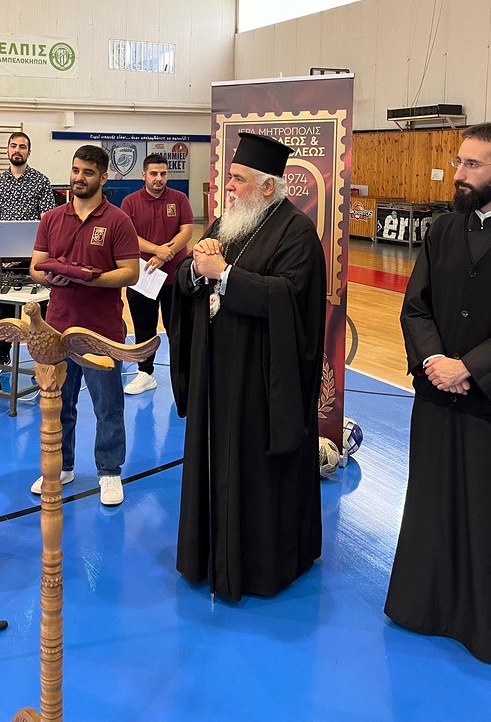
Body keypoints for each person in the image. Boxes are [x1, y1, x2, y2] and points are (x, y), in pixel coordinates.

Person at [170, 131, 327, 601]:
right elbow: (188, 276)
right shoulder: (226, 223)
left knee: (255, 472)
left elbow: (289, 298)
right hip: (215, 374)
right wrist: (196, 268)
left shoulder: (297, 232)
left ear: (266, 186)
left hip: (260, 380)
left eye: (237, 180)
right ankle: (209, 553)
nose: (229, 188)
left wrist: (225, 276)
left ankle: (258, 565)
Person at [385, 121, 491, 663]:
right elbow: (416, 306)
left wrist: (471, 368)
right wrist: (436, 362)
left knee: (490, 518)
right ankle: (423, 607)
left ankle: (484, 628)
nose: (458, 173)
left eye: (472, 164)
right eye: (459, 161)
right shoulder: (441, 231)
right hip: (436, 395)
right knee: (430, 505)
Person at [29, 145, 139, 506]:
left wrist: (89, 278)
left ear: (103, 178)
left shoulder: (118, 221)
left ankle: (109, 471)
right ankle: (63, 466)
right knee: (61, 403)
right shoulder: (51, 218)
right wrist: (51, 278)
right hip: (57, 330)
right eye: (76, 170)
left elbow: (130, 273)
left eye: (88, 172)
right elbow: (36, 266)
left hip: (101, 332)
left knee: (108, 406)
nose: (79, 177)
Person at [0, 131, 56, 372]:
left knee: (41, 308)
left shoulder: (41, 181)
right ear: (7, 150)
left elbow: (46, 222)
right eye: (13, 146)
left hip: (35, 257)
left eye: (22, 146)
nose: (17, 150)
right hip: (3, 258)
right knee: (5, 308)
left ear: (29, 152)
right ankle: (3, 353)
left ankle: (43, 358)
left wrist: (34, 253)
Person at [120, 154, 194, 394]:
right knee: (144, 327)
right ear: (144, 175)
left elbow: (187, 231)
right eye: (153, 173)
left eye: (163, 173)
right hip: (143, 275)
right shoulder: (130, 202)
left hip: (176, 276)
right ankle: (145, 373)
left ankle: (184, 377)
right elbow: (129, 236)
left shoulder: (179, 198)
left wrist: (164, 255)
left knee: (178, 329)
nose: (158, 178)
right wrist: (157, 250)